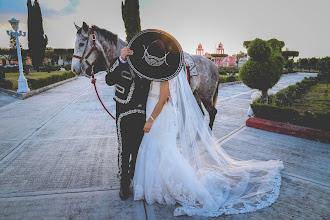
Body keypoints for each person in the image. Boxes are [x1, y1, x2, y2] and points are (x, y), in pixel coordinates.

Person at [126, 36, 284, 217]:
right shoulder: (156, 71)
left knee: (164, 150)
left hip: (159, 116)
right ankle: (155, 185)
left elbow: (162, 100)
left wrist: (150, 120)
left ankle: (176, 185)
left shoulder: (165, 75)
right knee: (154, 149)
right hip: (155, 114)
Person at [105, 47, 150, 200]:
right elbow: (109, 80)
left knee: (138, 149)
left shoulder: (147, 66)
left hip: (142, 113)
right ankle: (124, 183)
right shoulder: (120, 62)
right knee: (125, 149)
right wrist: (121, 59)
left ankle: (134, 177)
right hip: (124, 112)